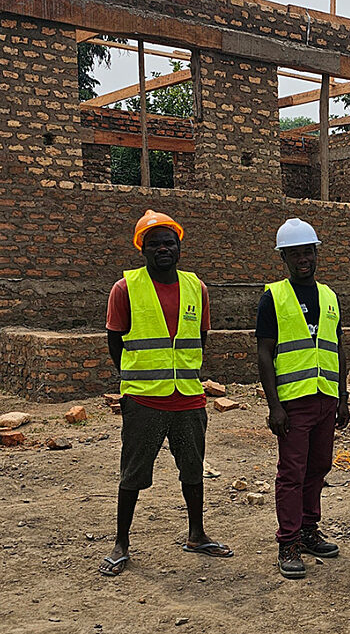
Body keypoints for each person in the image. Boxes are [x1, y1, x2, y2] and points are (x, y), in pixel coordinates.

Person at [100, 210, 233, 577]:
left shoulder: (197, 288)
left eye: (169, 242)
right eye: (154, 243)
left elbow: (200, 339)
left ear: (179, 247)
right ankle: (121, 543)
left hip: (188, 397)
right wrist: (136, 378)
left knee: (192, 469)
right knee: (133, 473)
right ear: (142, 248)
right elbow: (115, 343)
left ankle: (197, 534)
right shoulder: (125, 288)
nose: (162, 248)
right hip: (144, 399)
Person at [256, 218, 350, 579]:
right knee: (292, 473)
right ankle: (289, 541)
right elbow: (265, 353)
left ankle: (309, 530)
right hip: (293, 403)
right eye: (294, 254)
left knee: (319, 468)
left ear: (316, 253)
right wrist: (274, 405)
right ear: (284, 258)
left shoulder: (328, 296)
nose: (303, 259)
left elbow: (337, 346)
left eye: (307, 252)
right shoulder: (273, 297)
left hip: (326, 397)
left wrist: (342, 398)